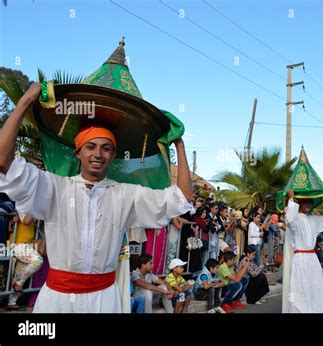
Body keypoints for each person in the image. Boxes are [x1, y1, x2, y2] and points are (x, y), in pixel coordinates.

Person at [0, 83, 194, 312]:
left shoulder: (124, 194)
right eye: (90, 146)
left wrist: (179, 143)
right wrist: (24, 102)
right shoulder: (54, 187)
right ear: (78, 152)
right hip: (57, 301)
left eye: (105, 148)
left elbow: (182, 198)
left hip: (103, 301)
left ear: (113, 155)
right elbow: (4, 162)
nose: (98, 154)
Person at [283, 189, 323, 313]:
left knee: (315, 286)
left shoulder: (313, 219)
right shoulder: (295, 219)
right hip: (300, 259)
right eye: (305, 202)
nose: (308, 205)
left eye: (310, 203)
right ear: (300, 203)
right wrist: (291, 198)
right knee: (300, 287)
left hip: (312, 258)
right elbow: (289, 220)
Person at [7, 213, 45, 310]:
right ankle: (18, 284)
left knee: (19, 272)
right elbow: (26, 221)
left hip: (26, 245)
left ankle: (11, 302)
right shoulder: (23, 209)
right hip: (16, 245)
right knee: (37, 260)